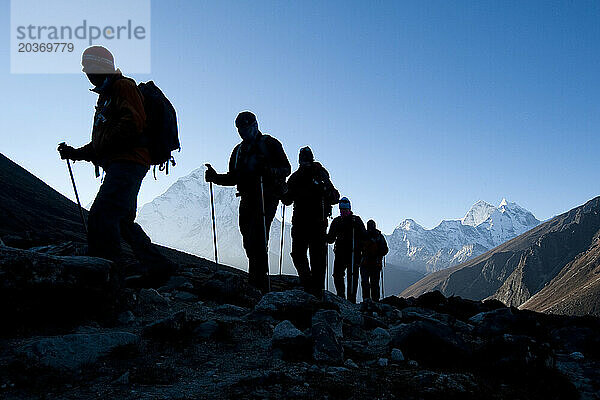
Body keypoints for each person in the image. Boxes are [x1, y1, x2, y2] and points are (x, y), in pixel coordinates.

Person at [57, 46, 176, 284]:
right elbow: (102, 142)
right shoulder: (107, 96)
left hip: (128, 162)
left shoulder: (123, 87)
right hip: (124, 162)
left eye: (89, 66)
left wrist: (102, 147)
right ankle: (158, 266)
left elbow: (133, 123)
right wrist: (76, 153)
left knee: (102, 215)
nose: (85, 72)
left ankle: (106, 276)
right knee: (121, 220)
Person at [205, 111, 291, 293]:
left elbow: (286, 168)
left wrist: (269, 171)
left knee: (258, 237)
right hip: (247, 197)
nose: (243, 132)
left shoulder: (270, 144)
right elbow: (233, 177)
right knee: (248, 238)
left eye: (246, 128)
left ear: (255, 125)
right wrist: (215, 177)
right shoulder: (238, 151)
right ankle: (257, 277)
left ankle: (258, 281)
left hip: (266, 196)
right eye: (240, 129)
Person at [282, 146, 339, 295]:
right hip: (311, 223)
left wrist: (281, 189)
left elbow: (287, 200)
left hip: (310, 223)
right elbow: (334, 197)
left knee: (305, 256)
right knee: (312, 257)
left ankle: (312, 287)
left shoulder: (307, 176)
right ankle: (313, 288)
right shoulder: (309, 176)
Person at [326, 197, 366, 303]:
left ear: (349, 209)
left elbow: (364, 236)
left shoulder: (355, 220)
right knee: (338, 275)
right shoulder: (337, 221)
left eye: (345, 210)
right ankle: (341, 296)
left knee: (351, 277)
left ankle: (351, 300)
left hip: (354, 253)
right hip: (342, 253)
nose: (343, 212)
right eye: (341, 210)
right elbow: (330, 238)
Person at [360, 219, 388, 301]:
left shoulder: (364, 236)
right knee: (374, 283)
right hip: (375, 263)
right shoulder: (379, 236)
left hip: (365, 263)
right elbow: (385, 250)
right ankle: (375, 300)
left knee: (366, 282)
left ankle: (366, 300)